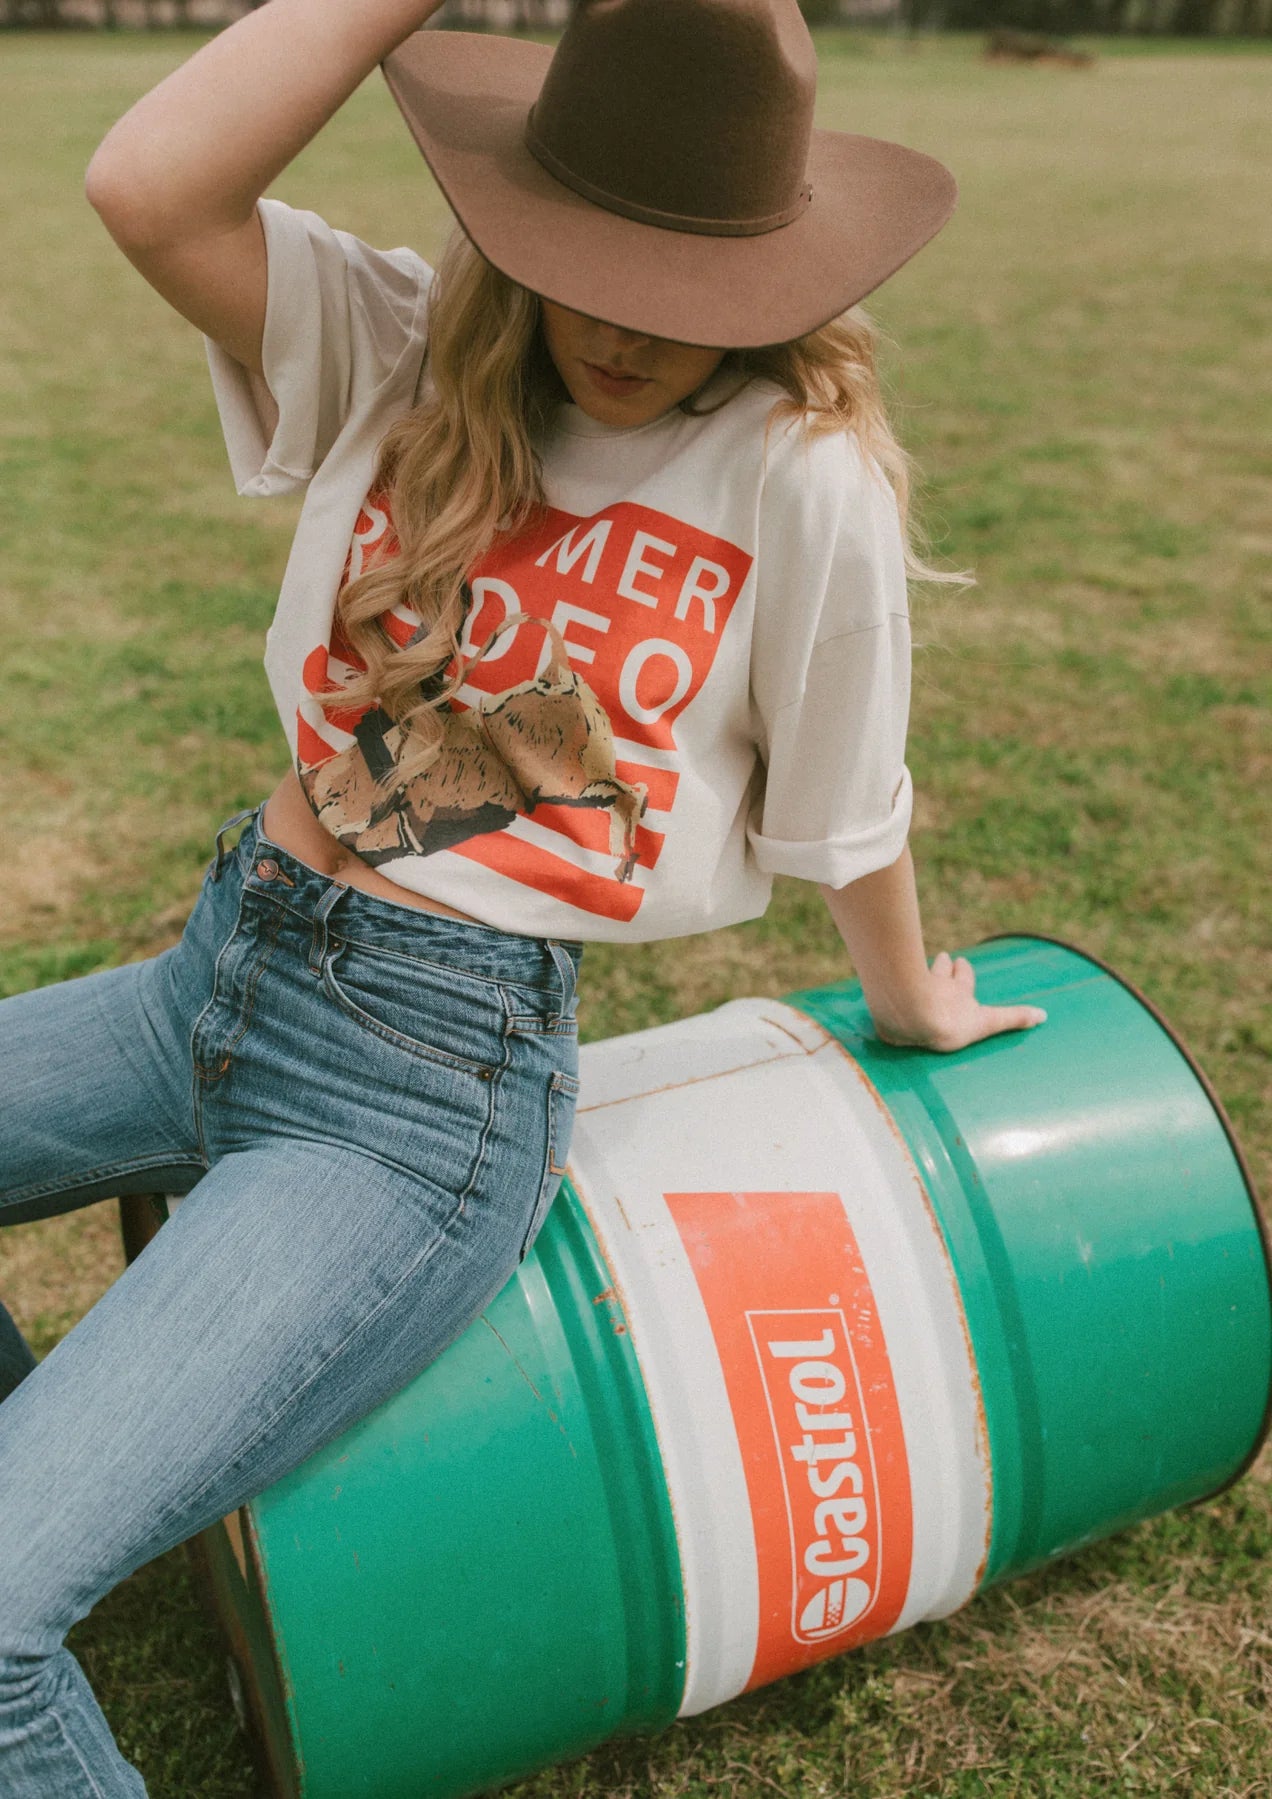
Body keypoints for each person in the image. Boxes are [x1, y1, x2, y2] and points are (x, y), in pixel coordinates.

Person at [0, 1, 1048, 1790]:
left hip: (413, 1102)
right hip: (220, 972)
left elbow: (849, 808)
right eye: (589, 267)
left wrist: (908, 1006)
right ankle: (78, 1474)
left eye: (680, 287)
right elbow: (149, 187)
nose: (624, 328)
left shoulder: (801, 474)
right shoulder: (409, 347)